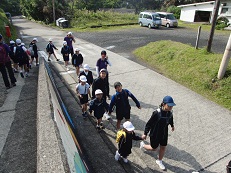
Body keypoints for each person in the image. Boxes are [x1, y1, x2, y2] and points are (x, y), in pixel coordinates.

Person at [140, 96, 176, 170]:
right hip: (155, 134)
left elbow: (170, 119)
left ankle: (159, 161)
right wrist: (145, 133)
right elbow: (149, 124)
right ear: (163, 104)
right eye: (169, 106)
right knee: (154, 148)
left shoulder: (170, 112)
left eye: (172, 106)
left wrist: (172, 125)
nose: (170, 107)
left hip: (164, 133)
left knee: (163, 147)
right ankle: (143, 145)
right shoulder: (157, 113)